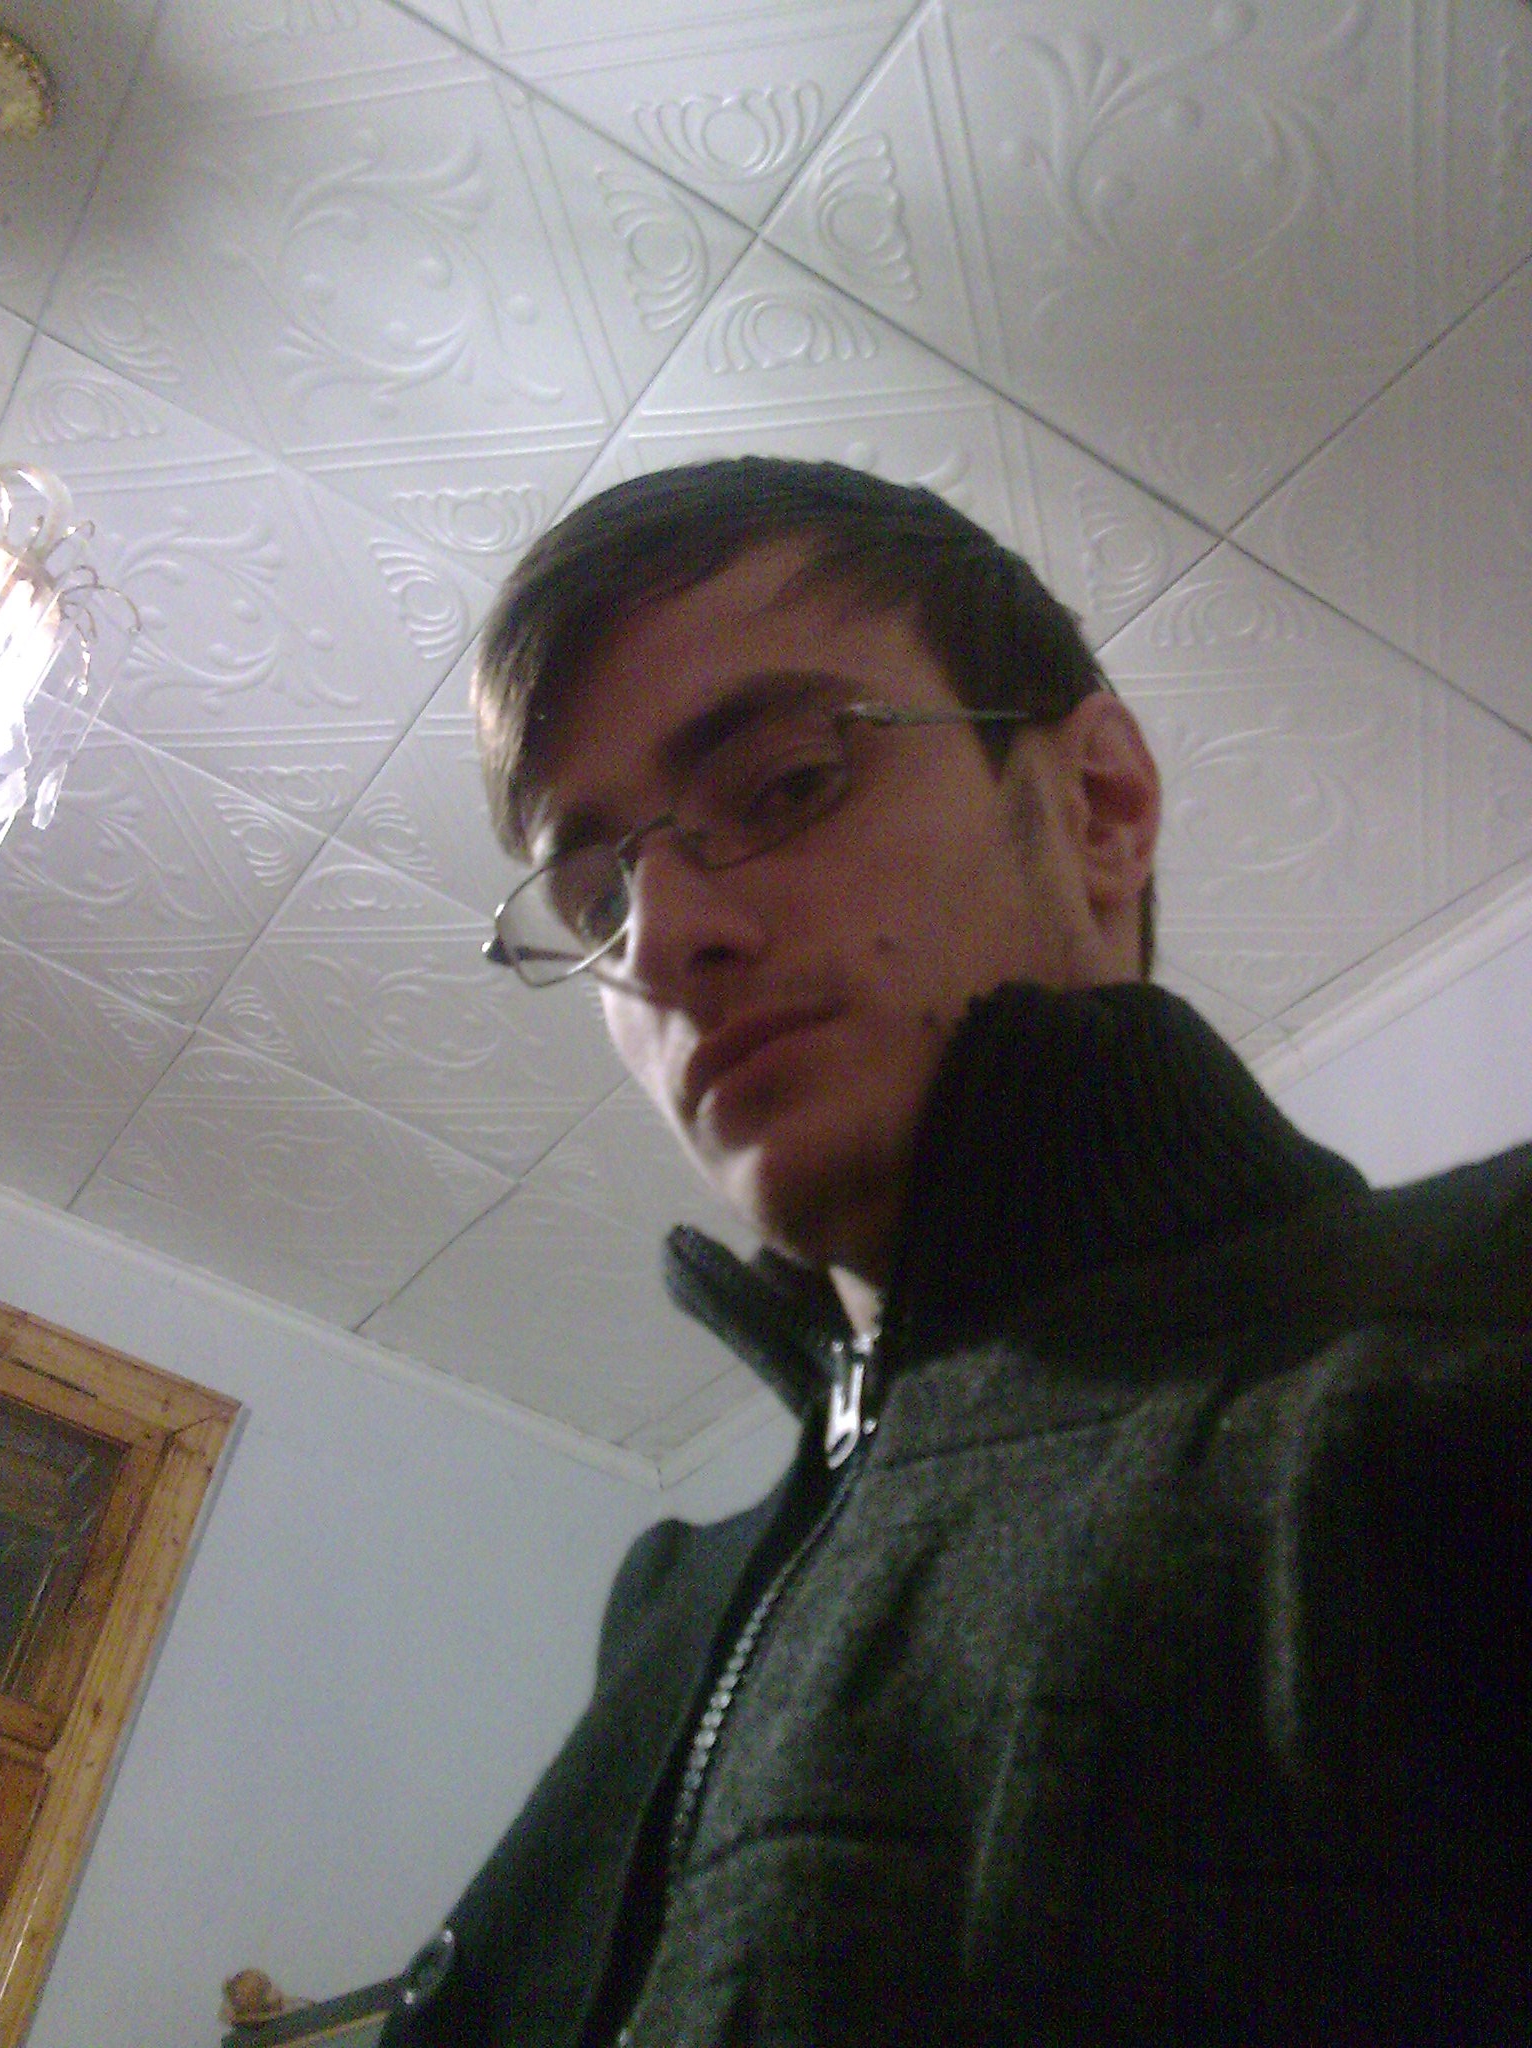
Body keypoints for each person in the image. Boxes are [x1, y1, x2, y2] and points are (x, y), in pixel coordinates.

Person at [381, 458, 1529, 2046]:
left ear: (1099, 807)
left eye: (788, 785)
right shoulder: (666, 1607)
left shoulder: (1478, 1320)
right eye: (594, 901)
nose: (663, 941)